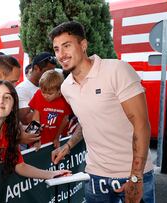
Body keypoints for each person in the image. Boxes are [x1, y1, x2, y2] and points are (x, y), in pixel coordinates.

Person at [49, 21, 154, 203]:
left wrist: (136, 177)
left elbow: (141, 124)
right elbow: (86, 121)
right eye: (57, 49)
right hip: (95, 177)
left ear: (83, 45)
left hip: (131, 175)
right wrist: (68, 146)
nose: (61, 54)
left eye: (66, 46)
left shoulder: (117, 70)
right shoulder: (66, 87)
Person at [28, 70, 72, 149]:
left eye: (50, 93)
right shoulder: (38, 94)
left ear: (59, 90)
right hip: (39, 139)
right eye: (43, 92)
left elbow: (65, 120)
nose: (45, 96)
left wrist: (57, 138)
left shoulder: (65, 98)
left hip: (56, 139)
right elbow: (35, 119)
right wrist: (34, 139)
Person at [16, 52, 57, 125]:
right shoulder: (22, 89)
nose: (50, 75)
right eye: (47, 71)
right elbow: (25, 119)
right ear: (36, 68)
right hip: (34, 135)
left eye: (53, 71)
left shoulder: (53, 85)